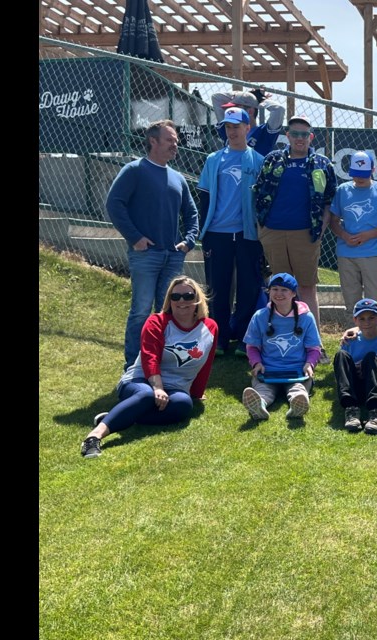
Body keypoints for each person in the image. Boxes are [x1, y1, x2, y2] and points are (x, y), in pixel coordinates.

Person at [81, 277, 217, 458]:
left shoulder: (210, 327)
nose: (181, 301)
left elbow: (206, 362)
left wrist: (197, 393)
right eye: (175, 297)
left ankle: (118, 416)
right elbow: (149, 358)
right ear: (169, 300)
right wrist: (158, 387)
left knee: (184, 405)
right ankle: (94, 436)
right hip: (141, 379)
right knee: (145, 395)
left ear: (197, 299)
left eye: (188, 296)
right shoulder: (156, 322)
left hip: (175, 388)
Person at [106, 119, 199, 370]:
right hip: (145, 255)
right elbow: (114, 204)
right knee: (141, 311)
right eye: (170, 140)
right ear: (153, 141)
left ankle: (162, 363)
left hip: (173, 256)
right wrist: (135, 238)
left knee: (168, 312)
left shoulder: (177, 178)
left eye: (176, 141)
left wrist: (188, 242)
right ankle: (133, 366)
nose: (175, 145)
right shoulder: (134, 170)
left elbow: (192, 213)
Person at [253, 115, 337, 358]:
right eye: (295, 133)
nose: (300, 138)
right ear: (287, 135)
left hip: (305, 234)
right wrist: (262, 228)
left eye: (304, 134)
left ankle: (314, 346)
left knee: (306, 287)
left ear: (310, 137)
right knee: (278, 289)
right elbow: (258, 192)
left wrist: (322, 226)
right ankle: (278, 343)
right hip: (273, 232)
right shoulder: (273, 159)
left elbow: (329, 199)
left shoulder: (321, 163)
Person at [196, 107, 266, 355]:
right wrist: (203, 231)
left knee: (249, 287)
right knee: (217, 288)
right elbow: (203, 197)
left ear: (248, 128)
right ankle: (220, 338)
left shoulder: (259, 161)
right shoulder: (214, 159)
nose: (232, 131)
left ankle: (244, 339)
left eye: (237, 126)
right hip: (217, 233)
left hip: (248, 235)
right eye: (228, 126)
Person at [240, 273, 322, 421]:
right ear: (269, 291)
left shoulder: (306, 317)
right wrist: (256, 363)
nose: (278, 293)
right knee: (264, 389)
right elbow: (252, 346)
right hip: (268, 369)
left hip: (297, 370)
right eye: (274, 289)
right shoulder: (260, 316)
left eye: (284, 290)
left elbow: (314, 348)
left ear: (293, 293)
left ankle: (298, 402)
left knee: (298, 388)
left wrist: (309, 364)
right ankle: (260, 404)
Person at [329, 151, 377, 313]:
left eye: (364, 175)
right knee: (351, 300)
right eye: (356, 174)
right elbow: (333, 221)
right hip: (346, 253)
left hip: (372, 252)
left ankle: (376, 335)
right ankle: (354, 334)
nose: (359, 178)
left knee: (375, 300)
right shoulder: (342, 190)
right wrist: (345, 236)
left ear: (373, 170)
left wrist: (368, 235)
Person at [334, 298, 377, 435]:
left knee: (371, 357)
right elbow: (344, 371)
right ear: (355, 321)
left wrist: (372, 368)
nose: (367, 322)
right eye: (361, 319)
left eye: (371, 318)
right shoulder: (350, 340)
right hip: (356, 386)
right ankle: (351, 408)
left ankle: (376, 412)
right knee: (341, 355)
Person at [211, 89, 286, 156]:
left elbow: (279, 110)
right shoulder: (228, 128)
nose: (231, 112)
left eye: (236, 109)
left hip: (255, 170)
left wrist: (262, 101)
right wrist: (243, 95)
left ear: (250, 111)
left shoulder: (264, 132)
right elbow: (216, 98)